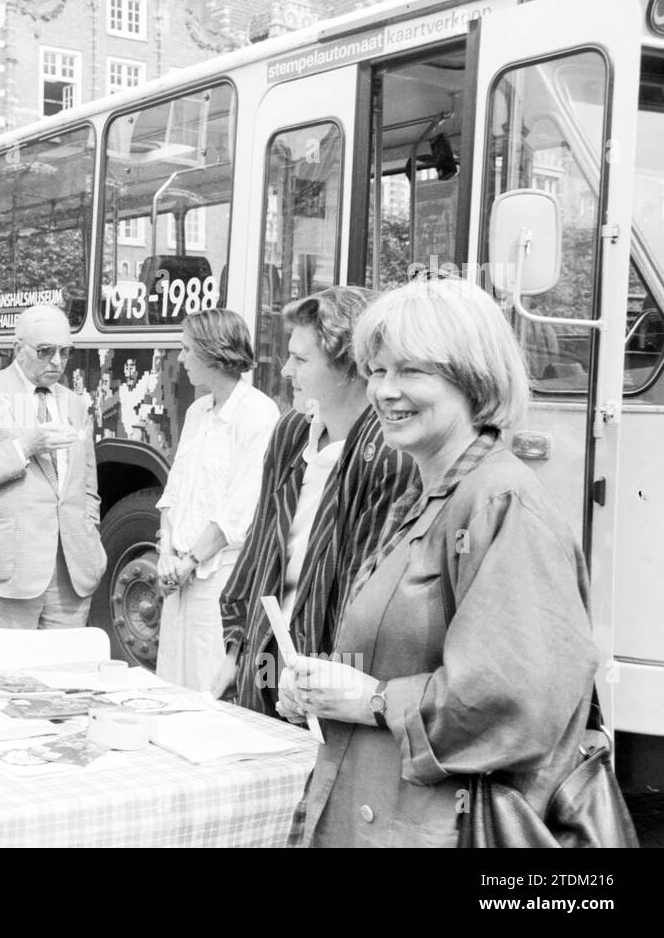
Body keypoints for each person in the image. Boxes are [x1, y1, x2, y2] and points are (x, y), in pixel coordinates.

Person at [281, 278, 600, 848]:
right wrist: (324, 687)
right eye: (376, 371)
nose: (385, 390)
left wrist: (370, 700)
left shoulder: (500, 501)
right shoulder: (433, 494)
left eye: (411, 371)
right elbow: (402, 656)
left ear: (474, 381)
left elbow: (514, 703)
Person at [212, 286, 417, 711]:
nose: (286, 370)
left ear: (352, 368)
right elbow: (260, 544)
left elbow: (365, 599)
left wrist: (320, 691)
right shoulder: (291, 432)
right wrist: (235, 652)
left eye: (301, 360)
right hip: (267, 664)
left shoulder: (389, 456)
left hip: (329, 682)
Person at [0, 305, 107, 628]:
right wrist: (24, 447)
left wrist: (88, 528)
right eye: (45, 351)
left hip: (71, 572)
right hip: (6, 572)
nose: (57, 362)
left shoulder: (75, 403)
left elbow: (87, 484)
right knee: (4, 676)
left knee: (66, 674)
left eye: (66, 352)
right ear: (18, 349)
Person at [155, 310, 279, 692]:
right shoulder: (197, 411)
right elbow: (174, 492)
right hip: (179, 575)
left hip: (218, 580)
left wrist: (190, 561)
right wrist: (165, 553)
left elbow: (239, 509)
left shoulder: (259, 414)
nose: (180, 359)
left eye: (186, 350)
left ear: (213, 354)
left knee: (207, 688)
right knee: (172, 683)